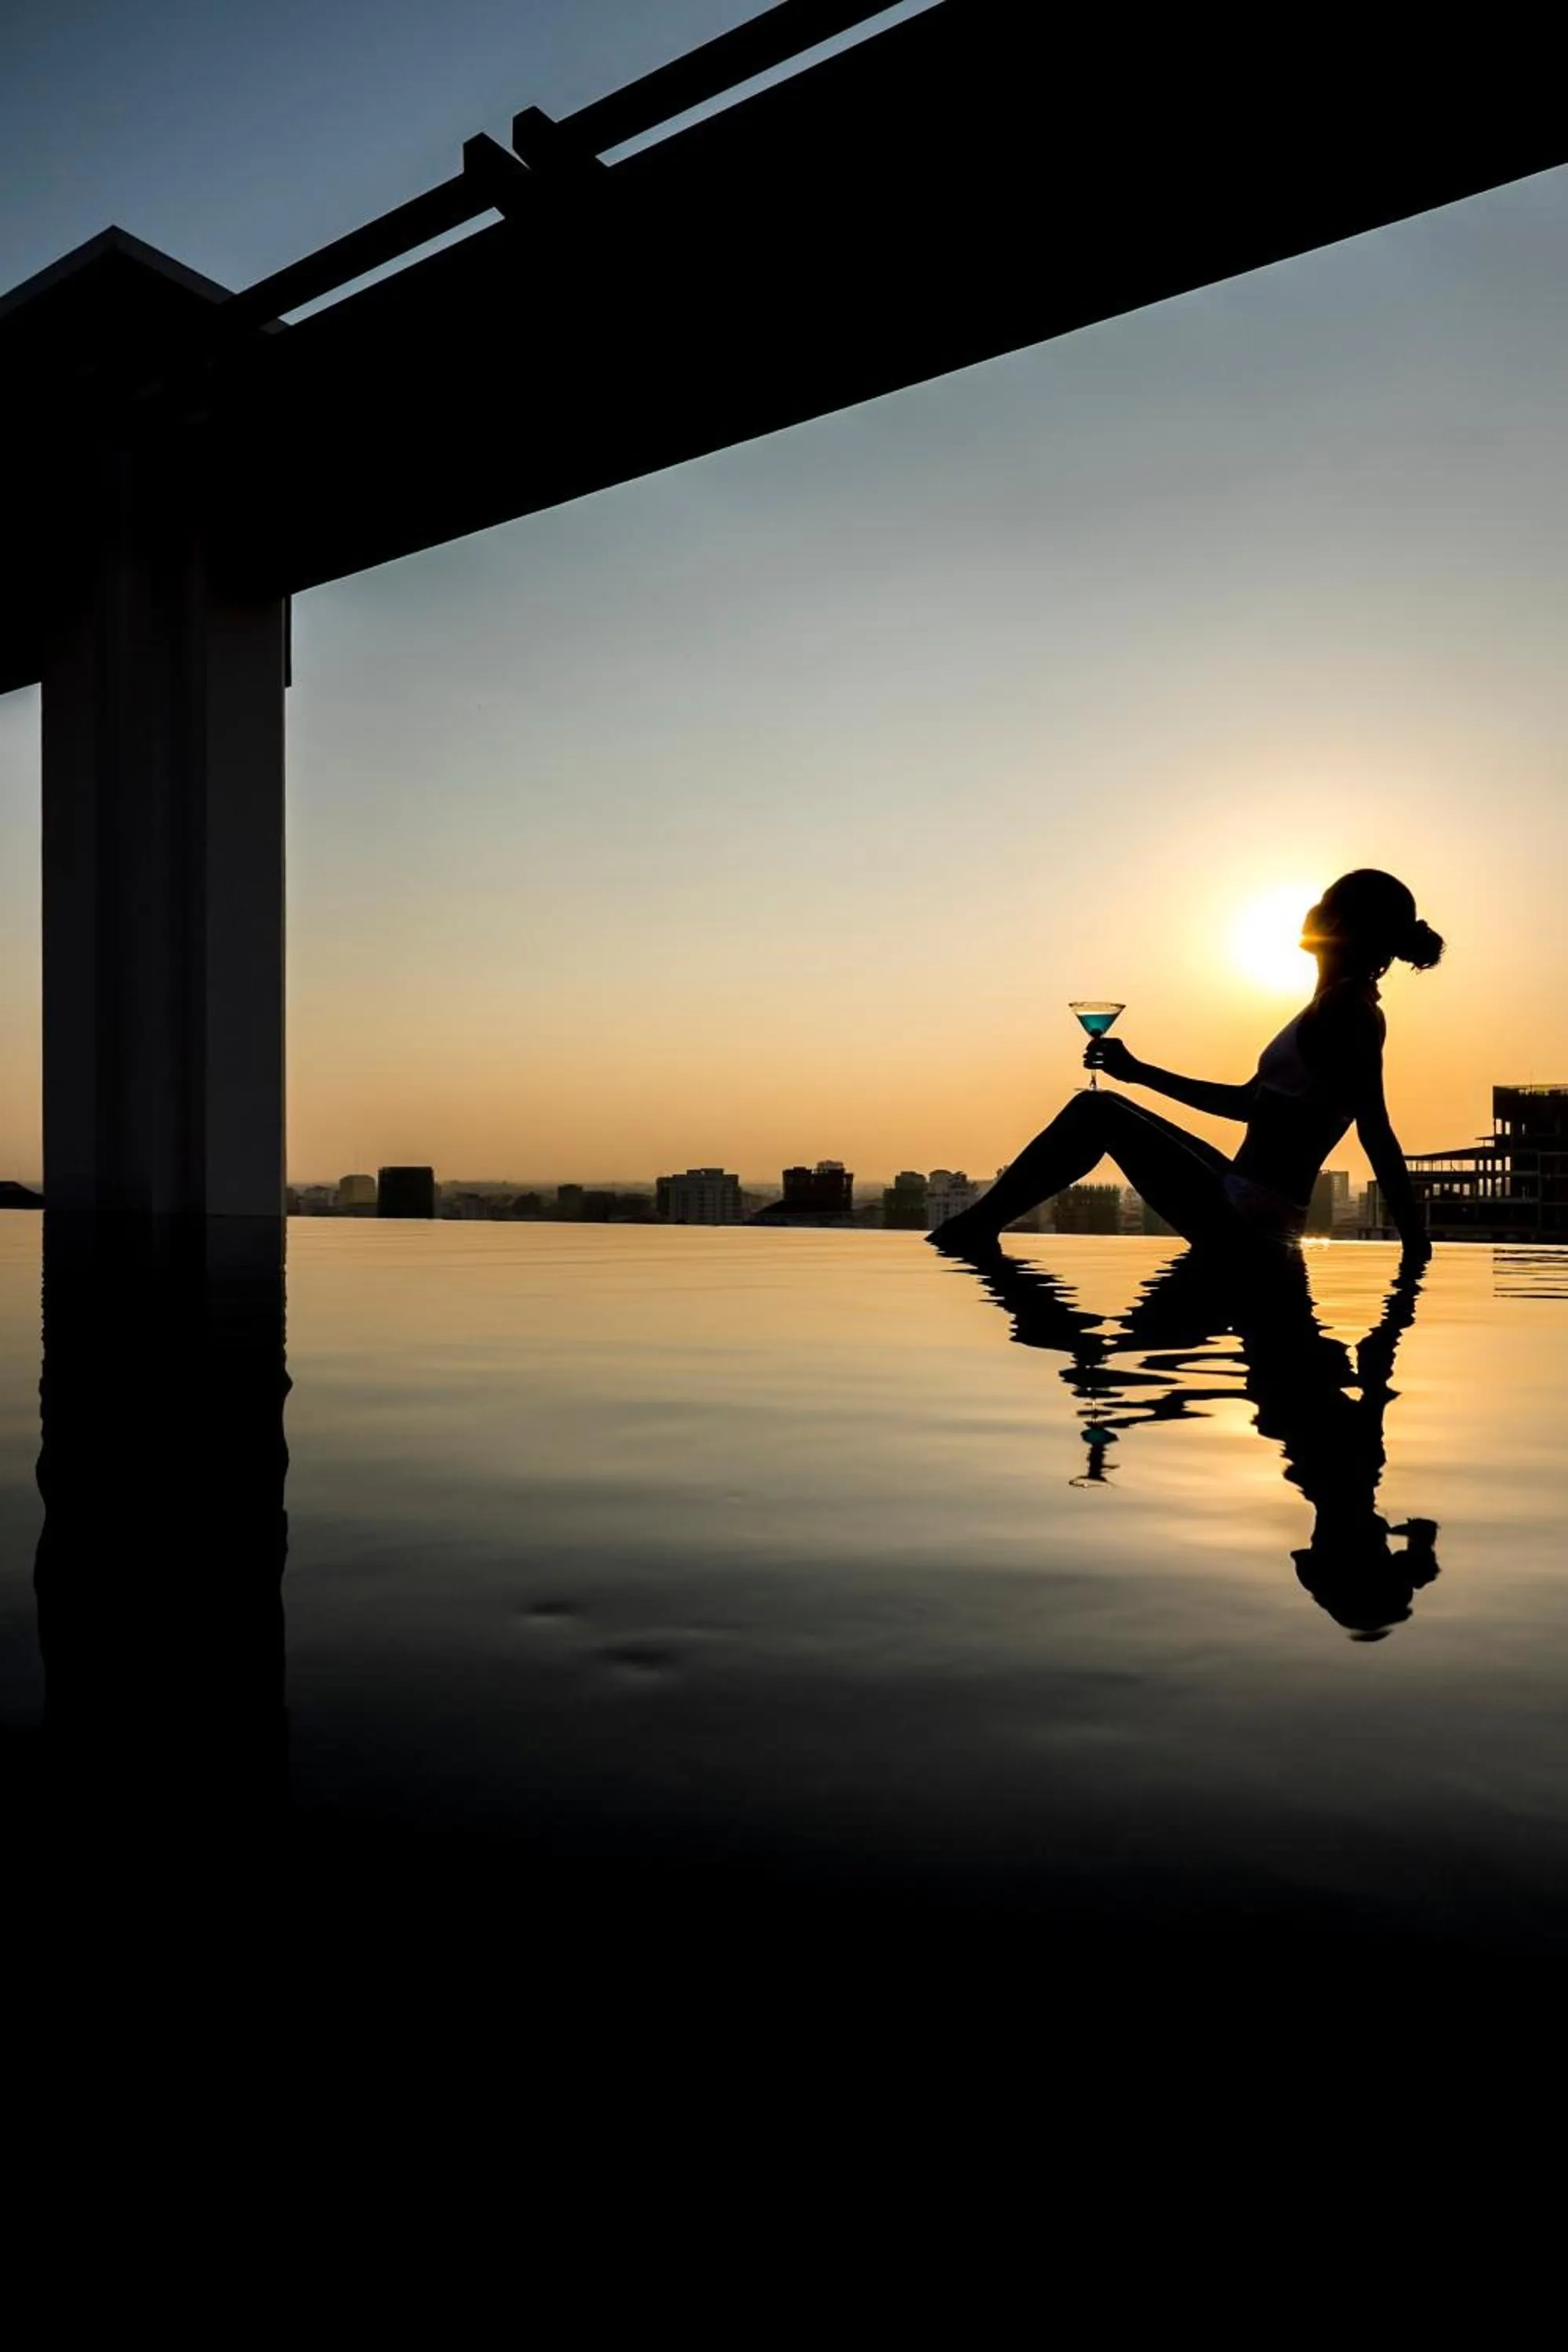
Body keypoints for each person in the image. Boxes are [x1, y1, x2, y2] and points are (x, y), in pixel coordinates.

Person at [928, 869, 1443, 1262]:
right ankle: (975, 1228)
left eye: (1322, 903)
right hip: (1250, 1201)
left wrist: (1415, 1247)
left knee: (1095, 1115)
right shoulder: (1330, 1005)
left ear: (1337, 925)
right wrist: (1139, 1072)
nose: (1308, 910)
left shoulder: (1346, 1011)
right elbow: (1247, 1104)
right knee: (1101, 1107)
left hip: (1254, 1217)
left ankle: (971, 1231)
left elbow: (1376, 1130)